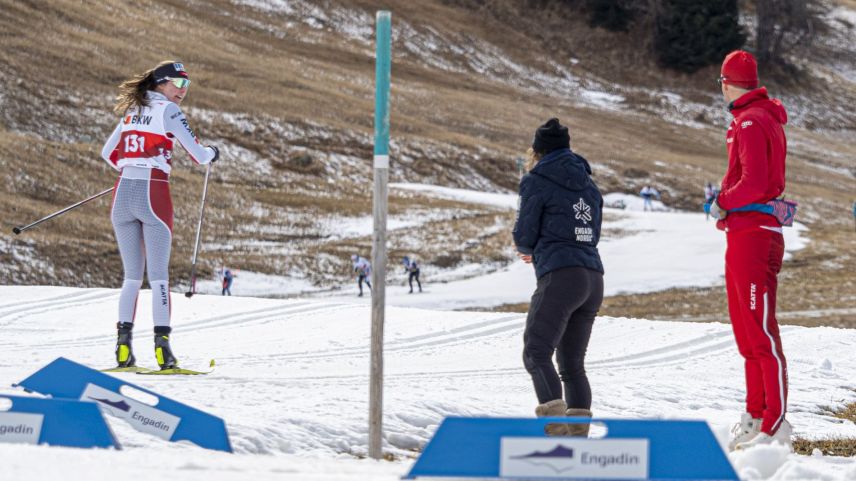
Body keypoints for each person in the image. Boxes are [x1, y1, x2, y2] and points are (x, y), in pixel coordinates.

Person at [101, 60, 219, 370]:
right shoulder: (168, 111)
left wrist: (130, 168)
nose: (182, 92)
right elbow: (197, 154)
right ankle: (163, 353)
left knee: (130, 278)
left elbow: (107, 152)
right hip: (153, 194)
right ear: (160, 84)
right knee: (159, 278)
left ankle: (123, 351)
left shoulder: (132, 109)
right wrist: (213, 153)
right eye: (178, 85)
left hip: (122, 193)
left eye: (187, 86)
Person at [707, 50, 792, 451]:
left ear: (727, 82)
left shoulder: (750, 121)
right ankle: (756, 415)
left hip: (754, 232)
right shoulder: (755, 118)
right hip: (746, 232)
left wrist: (723, 199)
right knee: (748, 334)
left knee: (759, 333)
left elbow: (754, 183)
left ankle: (772, 423)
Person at [512, 118, 604, 437]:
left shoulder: (535, 180)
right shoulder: (590, 185)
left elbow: (525, 233)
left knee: (536, 353)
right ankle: (577, 443)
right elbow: (591, 233)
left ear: (537, 151)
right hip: (593, 277)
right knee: (572, 366)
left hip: (562, 275)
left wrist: (528, 248)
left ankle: (558, 440)